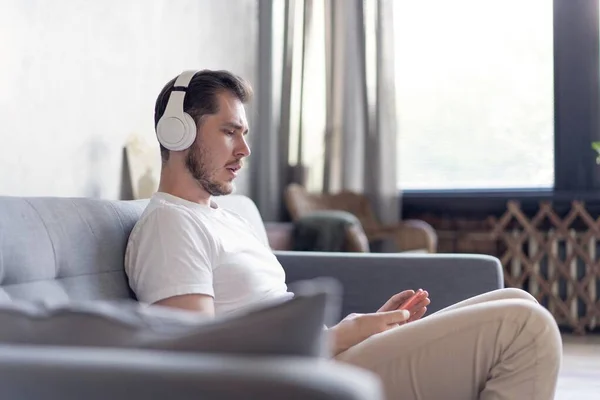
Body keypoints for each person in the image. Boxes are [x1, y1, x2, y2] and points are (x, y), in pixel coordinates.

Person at [124, 69, 562, 400]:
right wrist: (344, 335)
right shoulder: (170, 225)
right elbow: (197, 363)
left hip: (316, 359)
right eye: (229, 132)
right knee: (526, 328)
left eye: (245, 134)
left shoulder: (220, 216)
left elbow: (270, 324)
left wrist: (361, 329)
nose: (245, 150)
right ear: (176, 132)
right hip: (291, 385)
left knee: (519, 301)